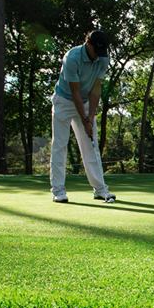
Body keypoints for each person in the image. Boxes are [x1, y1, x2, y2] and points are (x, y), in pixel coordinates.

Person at [50, 29, 116, 204]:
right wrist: (85, 119)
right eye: (96, 51)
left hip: (85, 101)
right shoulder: (71, 58)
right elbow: (75, 91)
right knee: (60, 144)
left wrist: (90, 117)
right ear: (88, 44)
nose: (98, 56)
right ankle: (58, 191)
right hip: (64, 101)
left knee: (90, 144)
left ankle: (100, 189)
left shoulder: (103, 59)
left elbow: (96, 90)